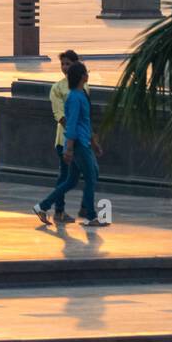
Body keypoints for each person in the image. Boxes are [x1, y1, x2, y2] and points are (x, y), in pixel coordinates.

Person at [33, 62, 106, 228]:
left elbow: (85, 122)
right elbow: (72, 124)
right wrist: (70, 148)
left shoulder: (81, 94)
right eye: (86, 72)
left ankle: (43, 206)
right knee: (91, 178)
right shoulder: (74, 97)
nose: (88, 75)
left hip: (83, 141)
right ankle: (91, 216)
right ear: (82, 77)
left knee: (72, 180)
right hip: (79, 144)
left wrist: (94, 142)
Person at [48, 50, 92, 223]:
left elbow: (85, 115)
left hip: (81, 139)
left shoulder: (84, 86)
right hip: (65, 140)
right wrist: (72, 138)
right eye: (63, 64)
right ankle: (57, 210)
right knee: (66, 176)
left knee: (88, 174)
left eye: (68, 64)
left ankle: (85, 208)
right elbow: (60, 115)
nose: (65, 68)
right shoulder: (57, 88)